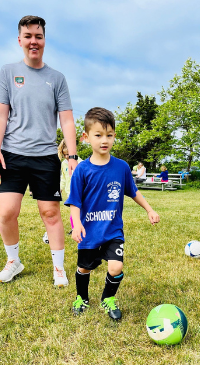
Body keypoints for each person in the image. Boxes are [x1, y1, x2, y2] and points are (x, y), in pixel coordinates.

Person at [0, 15, 79, 287]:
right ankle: (13, 261)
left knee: (50, 213)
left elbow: (66, 118)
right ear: (20, 40)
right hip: (12, 154)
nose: (34, 41)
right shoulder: (8, 72)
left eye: (38, 37)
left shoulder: (57, 78)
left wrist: (73, 156)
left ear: (44, 41)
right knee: (6, 213)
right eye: (28, 36)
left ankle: (58, 269)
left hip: (45, 156)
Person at [65, 107, 160, 319]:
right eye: (98, 135)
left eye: (109, 135)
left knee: (116, 267)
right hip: (89, 231)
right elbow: (74, 201)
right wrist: (76, 224)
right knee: (84, 268)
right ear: (86, 137)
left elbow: (133, 192)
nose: (104, 140)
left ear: (114, 136)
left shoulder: (122, 167)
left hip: (113, 230)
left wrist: (149, 209)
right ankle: (82, 297)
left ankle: (108, 299)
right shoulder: (82, 170)